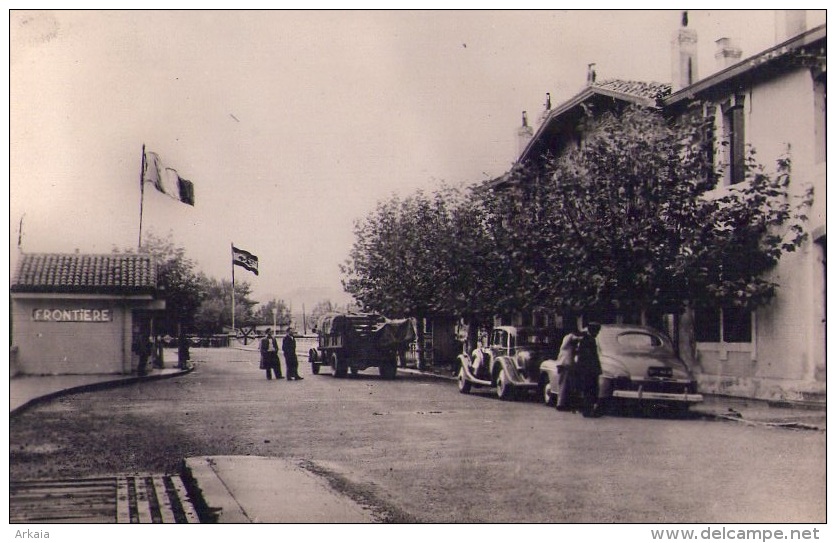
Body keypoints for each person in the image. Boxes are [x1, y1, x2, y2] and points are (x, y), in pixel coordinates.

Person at [575, 322, 603, 417]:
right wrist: (595, 369)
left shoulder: (588, 339)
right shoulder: (588, 340)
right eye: (597, 331)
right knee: (590, 390)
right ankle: (588, 410)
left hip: (589, 370)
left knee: (590, 390)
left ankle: (588, 410)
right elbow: (589, 357)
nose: (598, 333)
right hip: (589, 371)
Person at [555, 327, 582, 411]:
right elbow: (576, 338)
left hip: (561, 363)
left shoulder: (566, 339)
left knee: (562, 384)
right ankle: (561, 404)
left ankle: (561, 402)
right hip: (566, 363)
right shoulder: (570, 336)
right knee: (565, 384)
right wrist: (584, 336)